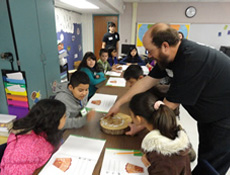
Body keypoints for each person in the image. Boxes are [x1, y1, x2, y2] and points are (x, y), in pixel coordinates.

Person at [107, 23, 230, 175]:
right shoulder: (170, 56)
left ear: (164, 45)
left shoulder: (190, 61)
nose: (149, 55)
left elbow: (167, 106)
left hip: (224, 118)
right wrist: (119, 103)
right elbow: (147, 80)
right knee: (205, 156)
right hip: (209, 114)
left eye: (150, 51)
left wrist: (139, 125)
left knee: (212, 165)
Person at [129, 92, 191, 175]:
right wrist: (149, 157)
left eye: (131, 115)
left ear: (138, 118)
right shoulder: (170, 128)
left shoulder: (159, 155)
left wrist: (149, 165)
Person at [0, 99, 66, 174]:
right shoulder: (30, 145)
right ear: (54, 120)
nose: (66, 119)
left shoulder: (44, 131)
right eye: (64, 116)